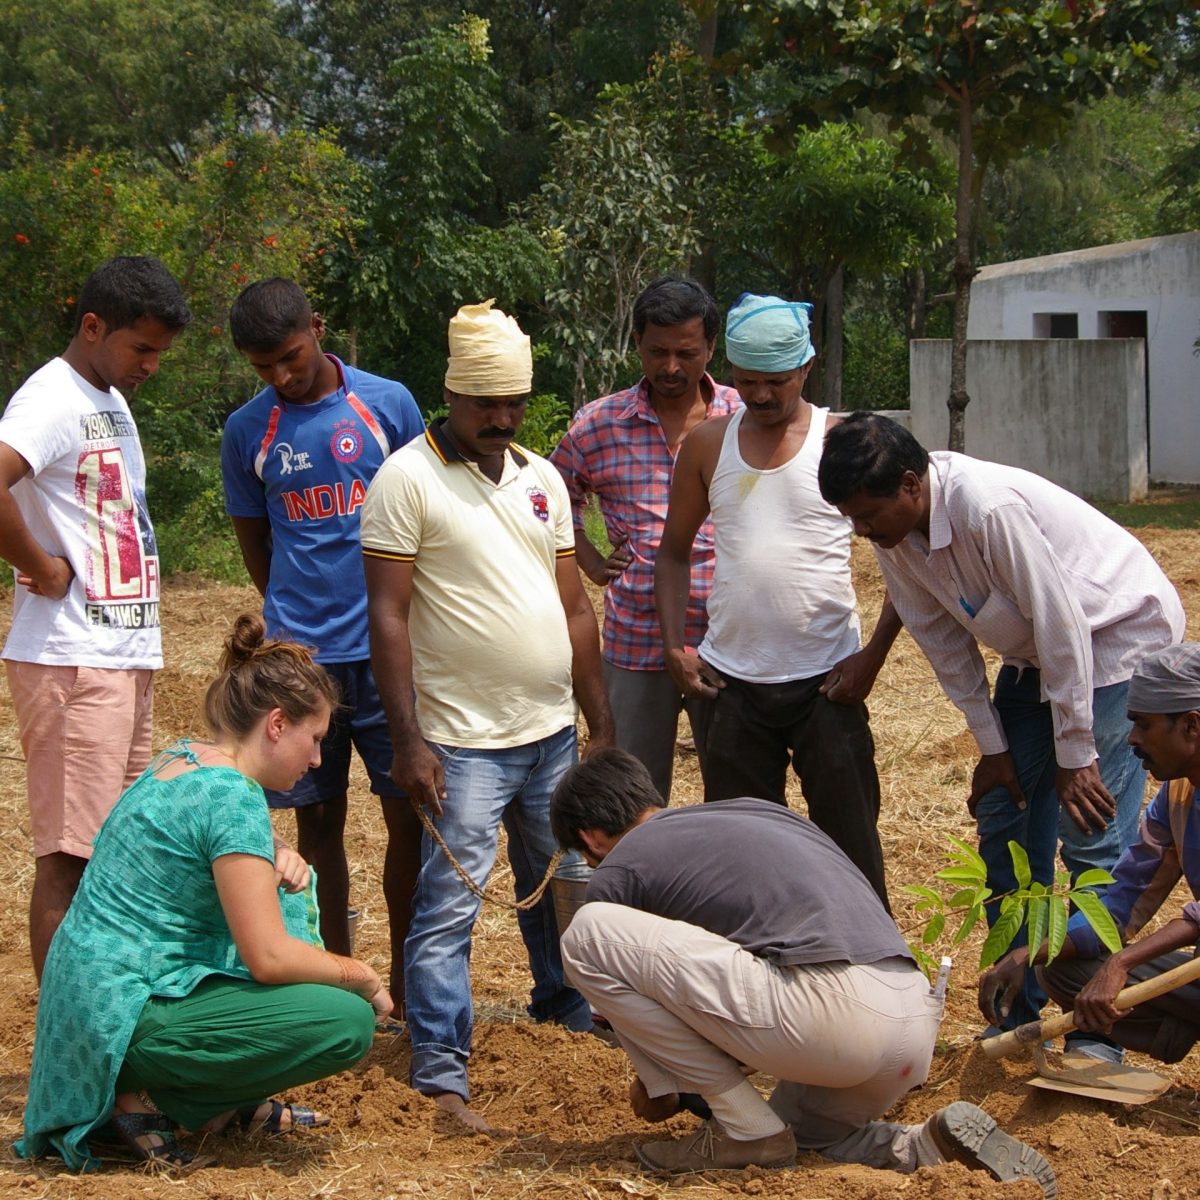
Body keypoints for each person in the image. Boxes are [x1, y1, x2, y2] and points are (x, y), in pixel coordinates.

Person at [818, 412, 1185, 1036]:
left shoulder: (985, 510)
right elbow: (943, 643)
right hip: (1038, 656)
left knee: (1091, 830)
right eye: (850, 519)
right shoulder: (896, 539)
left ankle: (1099, 1031)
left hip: (1115, 638)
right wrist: (993, 746)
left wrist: (1077, 750)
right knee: (1004, 819)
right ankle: (1019, 1003)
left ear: (911, 485)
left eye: (867, 516)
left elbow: (1064, 623)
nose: (861, 531)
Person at [549, 749, 1056, 1195]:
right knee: (809, 1137)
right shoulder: (755, 812)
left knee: (588, 935)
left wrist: (661, 1086)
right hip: (909, 1025)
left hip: (832, 1017)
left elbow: (662, 1079)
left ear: (591, 837)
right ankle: (925, 1144)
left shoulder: (621, 867)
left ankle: (746, 1130)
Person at [360, 299, 616, 1132]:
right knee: (448, 908)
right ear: (453, 396)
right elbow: (388, 616)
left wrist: (600, 721)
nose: (501, 420)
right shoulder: (406, 478)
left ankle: (564, 1013)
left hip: (549, 734)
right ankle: (440, 1066)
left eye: (513, 404)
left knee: (557, 885)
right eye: (484, 405)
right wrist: (408, 739)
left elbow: (575, 608)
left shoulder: (543, 479)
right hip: (460, 743)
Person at [16, 614, 389, 1173]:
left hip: (95, 1007)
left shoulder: (186, 756)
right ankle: (146, 1098)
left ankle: (217, 1098)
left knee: (288, 889)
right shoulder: (233, 797)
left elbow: (202, 851)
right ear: (277, 723)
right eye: (314, 740)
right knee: (344, 1021)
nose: (316, 760)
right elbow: (267, 958)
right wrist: (363, 976)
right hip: (126, 1020)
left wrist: (278, 849)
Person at [654, 293, 897, 905]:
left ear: (806, 369)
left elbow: (908, 563)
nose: (761, 396)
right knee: (746, 856)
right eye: (747, 381)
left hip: (827, 685)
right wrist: (675, 650)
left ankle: (874, 977)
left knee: (851, 848)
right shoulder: (709, 445)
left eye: (777, 382)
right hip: (731, 685)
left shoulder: (840, 442)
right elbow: (674, 551)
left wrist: (872, 655)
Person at [222, 278, 425, 1003]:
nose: (280, 376)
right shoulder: (249, 430)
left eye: (290, 356)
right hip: (302, 668)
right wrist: (293, 627)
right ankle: (344, 980)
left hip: (389, 655)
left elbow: (424, 509)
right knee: (318, 823)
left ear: (318, 326)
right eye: (262, 367)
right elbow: (258, 544)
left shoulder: (388, 404)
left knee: (410, 815)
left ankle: (407, 978)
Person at [0, 256, 191, 980]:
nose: (150, 365)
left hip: (118, 655)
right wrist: (42, 566)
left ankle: (103, 1028)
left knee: (113, 850)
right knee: (70, 858)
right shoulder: (50, 398)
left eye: (159, 354)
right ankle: (65, 1054)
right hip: (73, 658)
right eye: (141, 348)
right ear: (91, 326)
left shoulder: (104, 395)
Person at [549, 277, 741, 800]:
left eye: (687, 352)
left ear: (711, 349)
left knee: (735, 788)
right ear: (636, 342)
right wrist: (588, 559)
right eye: (658, 351)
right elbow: (548, 497)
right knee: (634, 791)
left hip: (730, 637)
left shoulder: (744, 418)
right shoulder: (599, 424)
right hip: (636, 637)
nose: (671, 367)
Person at [980, 643, 1200, 1064]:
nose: (1131, 738)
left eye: (1144, 725)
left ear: (1191, 725)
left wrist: (1121, 964)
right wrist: (1029, 953)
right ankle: (1182, 1027)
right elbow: (1121, 903)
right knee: (1059, 970)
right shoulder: (1176, 799)